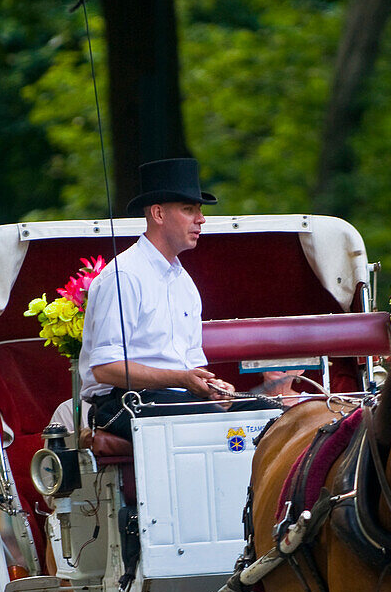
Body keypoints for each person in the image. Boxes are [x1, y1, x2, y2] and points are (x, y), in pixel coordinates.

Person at [78, 157, 276, 439]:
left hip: (171, 399)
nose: (201, 219)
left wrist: (213, 388)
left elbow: (191, 366)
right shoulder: (124, 276)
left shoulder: (184, 283)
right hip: (119, 405)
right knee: (219, 425)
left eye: (199, 210)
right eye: (189, 209)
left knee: (270, 414)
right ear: (158, 214)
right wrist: (181, 379)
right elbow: (106, 369)